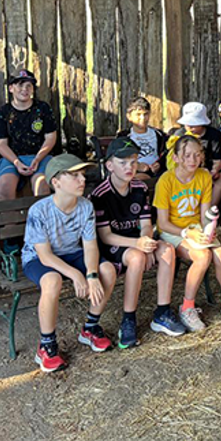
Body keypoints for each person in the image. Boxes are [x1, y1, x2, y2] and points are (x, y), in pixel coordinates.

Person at [21, 155, 117, 372]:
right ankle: (46, 345)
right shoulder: (39, 210)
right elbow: (45, 256)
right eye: (74, 175)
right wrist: (76, 275)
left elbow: (90, 246)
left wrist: (91, 274)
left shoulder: (86, 206)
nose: (82, 179)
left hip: (71, 253)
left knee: (107, 270)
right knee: (52, 280)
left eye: (82, 174)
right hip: (38, 258)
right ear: (56, 182)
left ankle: (90, 327)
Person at [90, 138, 186, 349]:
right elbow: (105, 236)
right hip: (115, 244)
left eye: (133, 162)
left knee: (167, 250)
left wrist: (148, 243)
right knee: (136, 257)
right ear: (109, 165)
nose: (130, 167)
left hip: (137, 240)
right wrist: (138, 245)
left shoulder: (140, 188)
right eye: (123, 162)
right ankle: (128, 319)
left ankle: (162, 312)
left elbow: (146, 224)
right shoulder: (100, 194)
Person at [153, 134, 221, 332]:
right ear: (176, 158)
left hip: (195, 228)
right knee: (202, 256)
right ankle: (187, 308)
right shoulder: (166, 181)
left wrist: (209, 230)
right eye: (187, 156)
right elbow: (163, 223)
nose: (193, 160)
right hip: (173, 230)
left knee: (220, 254)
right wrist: (187, 233)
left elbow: (204, 214)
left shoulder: (203, 177)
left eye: (197, 154)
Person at [0, 69, 58, 199]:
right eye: (20, 85)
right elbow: (1, 144)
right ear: (11, 88)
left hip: (40, 156)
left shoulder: (42, 108)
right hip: (12, 158)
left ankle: (41, 213)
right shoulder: (4, 112)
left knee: (42, 186)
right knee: (4, 189)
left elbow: (51, 138)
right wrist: (16, 162)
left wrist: (38, 159)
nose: (25, 89)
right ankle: (11, 214)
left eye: (29, 85)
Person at [166, 102, 221, 211]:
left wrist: (213, 171)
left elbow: (217, 161)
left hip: (206, 171)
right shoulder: (179, 135)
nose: (190, 127)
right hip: (184, 172)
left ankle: (208, 210)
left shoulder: (214, 136)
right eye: (187, 123)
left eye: (194, 124)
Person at [117, 96, 167, 187]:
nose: (143, 118)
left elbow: (166, 153)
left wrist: (159, 164)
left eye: (146, 114)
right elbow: (118, 157)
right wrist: (137, 165)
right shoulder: (124, 137)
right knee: (138, 179)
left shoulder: (159, 135)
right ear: (129, 116)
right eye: (138, 114)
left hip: (157, 172)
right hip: (133, 172)